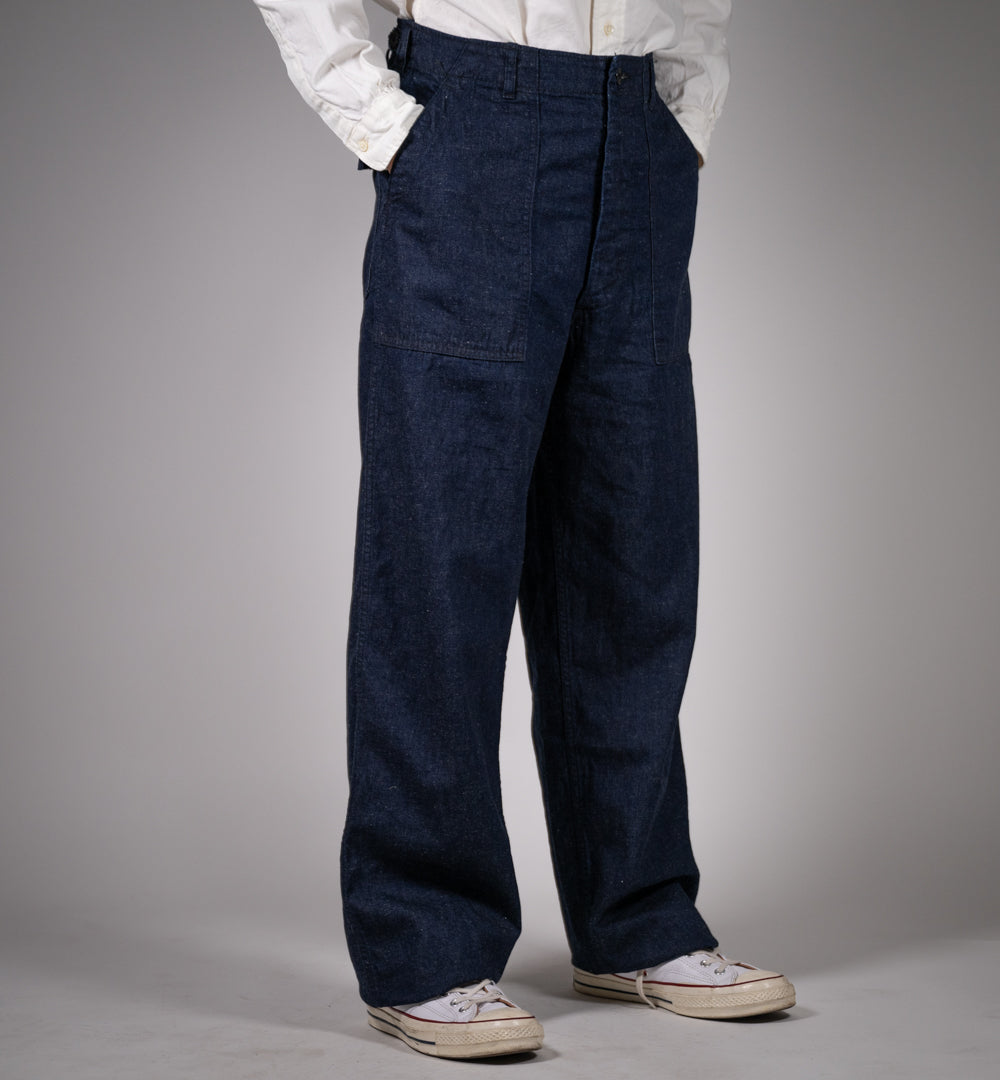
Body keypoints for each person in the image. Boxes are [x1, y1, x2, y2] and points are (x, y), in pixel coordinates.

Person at [252, 0, 795, 1059]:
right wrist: (384, 124)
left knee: (631, 553)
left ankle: (636, 920)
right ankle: (425, 947)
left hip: (638, 134)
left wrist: (686, 102)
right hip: (471, 126)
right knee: (440, 557)